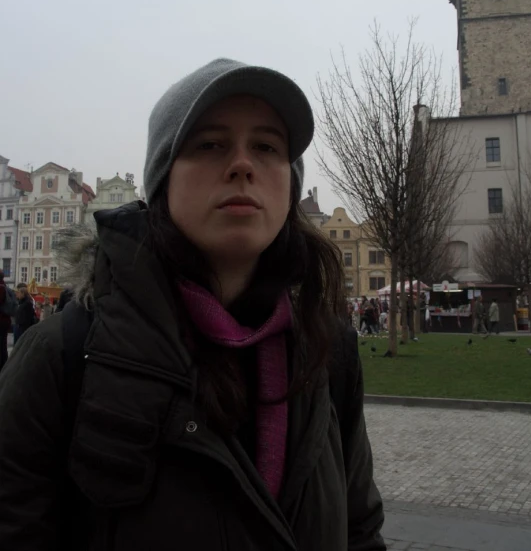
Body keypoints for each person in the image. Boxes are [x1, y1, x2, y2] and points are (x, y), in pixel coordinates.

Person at [0, 58, 385, 550]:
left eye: (267, 146)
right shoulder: (64, 357)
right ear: (163, 182)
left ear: (288, 188)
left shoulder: (327, 350)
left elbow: (360, 529)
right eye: (209, 144)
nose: (242, 163)